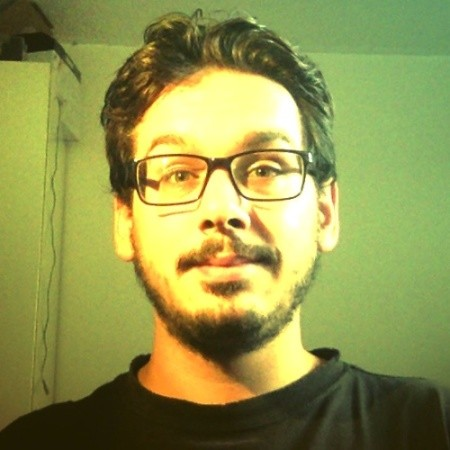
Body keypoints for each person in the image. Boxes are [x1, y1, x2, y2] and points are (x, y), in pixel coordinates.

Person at [1, 10, 449, 450]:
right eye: (178, 173)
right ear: (125, 220)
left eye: (266, 168)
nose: (223, 208)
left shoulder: (432, 424)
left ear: (325, 213)